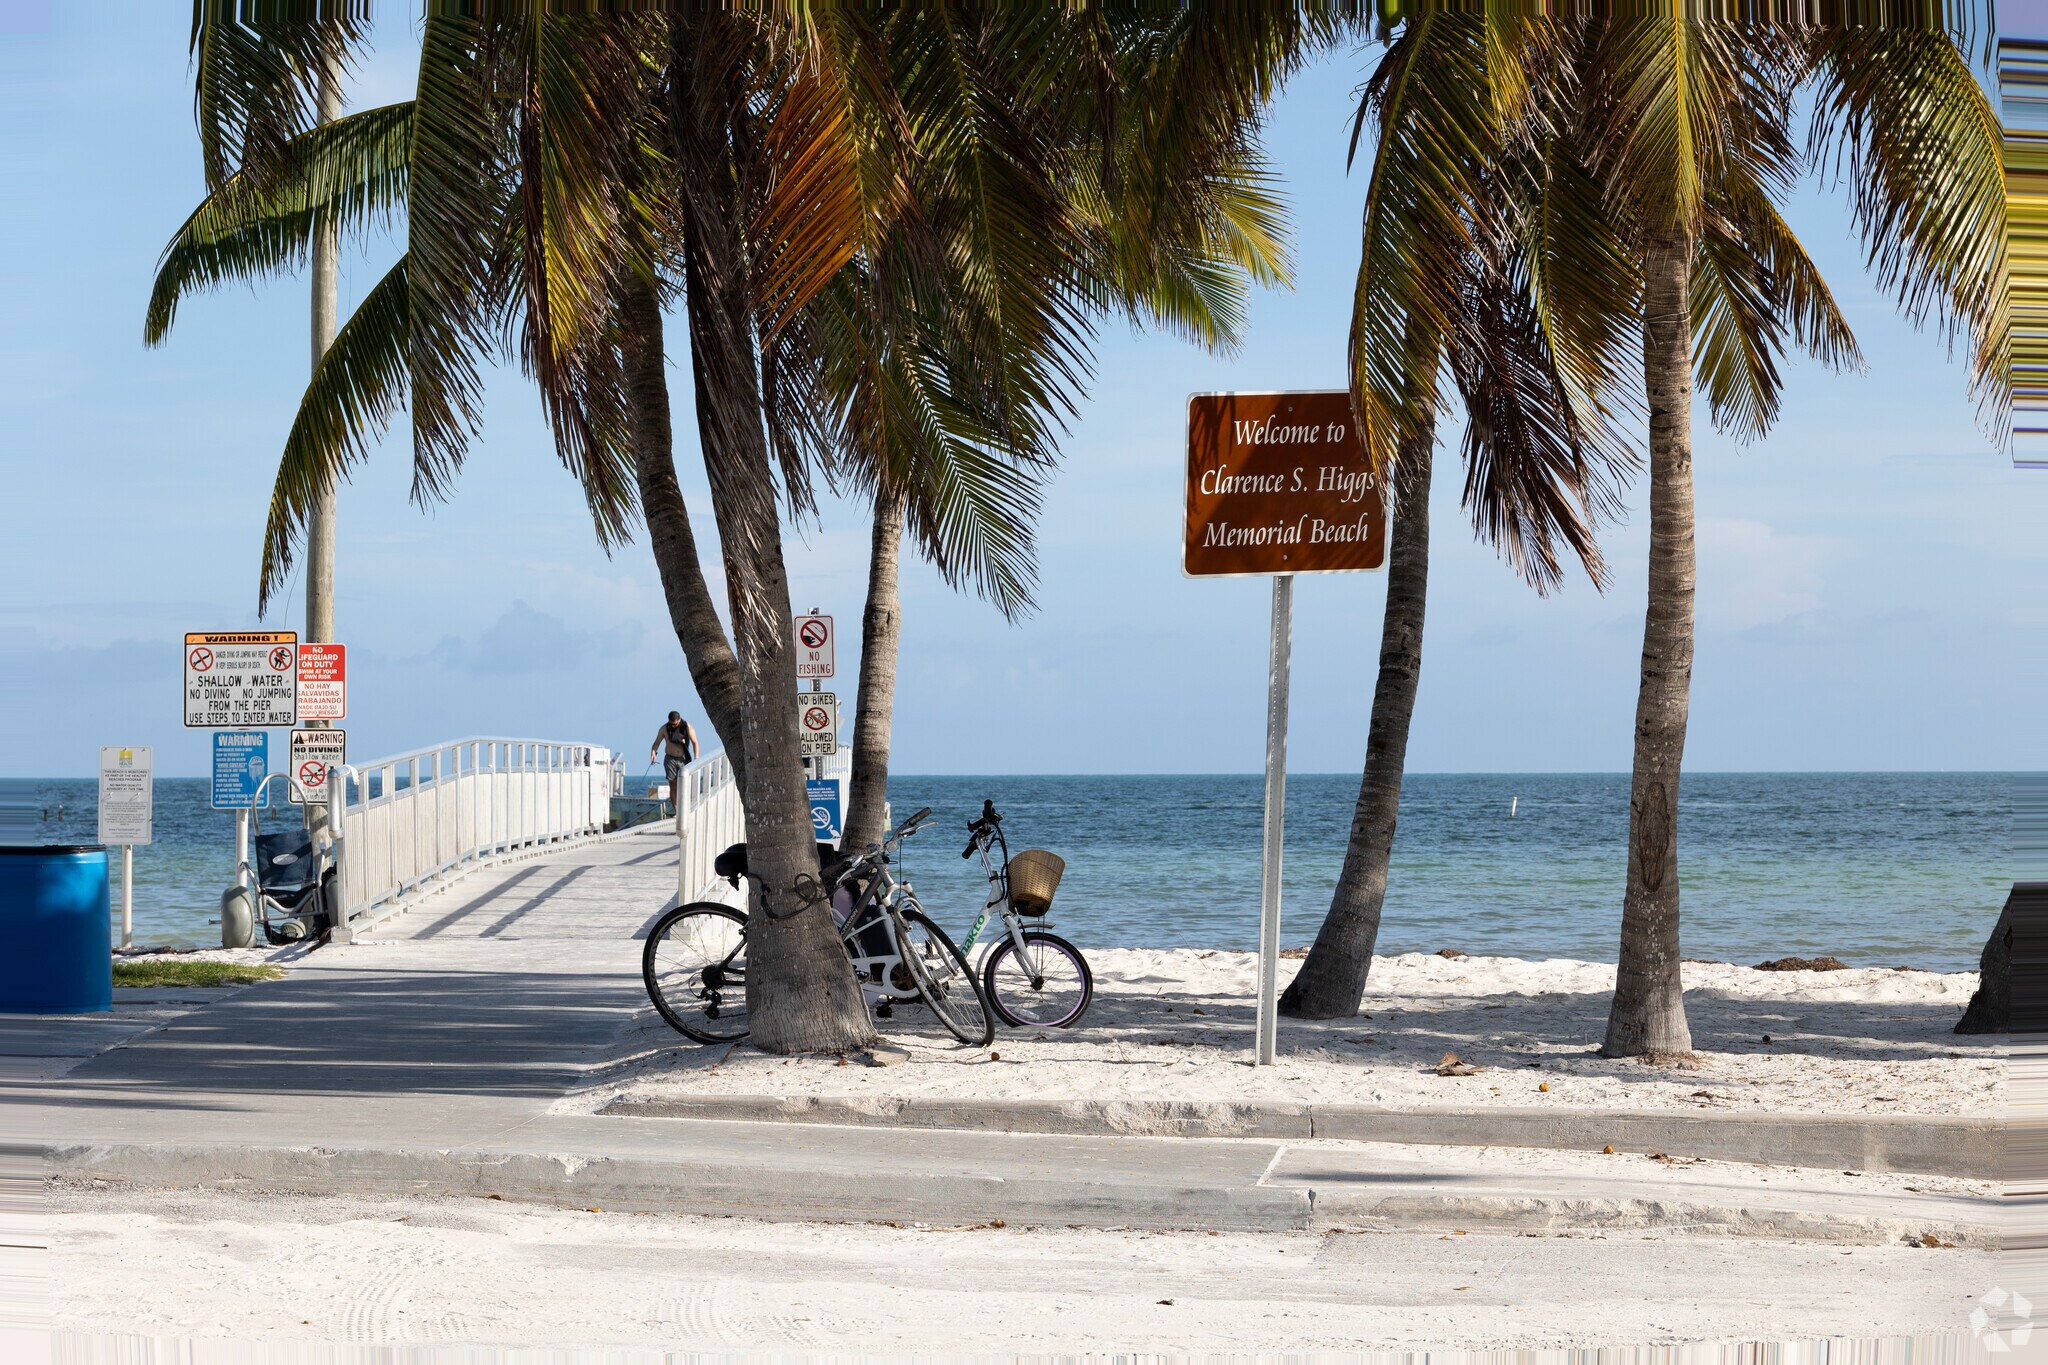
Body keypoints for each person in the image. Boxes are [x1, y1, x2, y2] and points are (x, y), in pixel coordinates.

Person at [649, 711, 699, 804]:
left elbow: (695, 742)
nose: (672, 726)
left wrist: (696, 758)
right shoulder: (664, 728)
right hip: (670, 759)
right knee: (672, 784)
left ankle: (685, 805)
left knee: (684, 783)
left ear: (679, 720)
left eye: (675, 724)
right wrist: (653, 752)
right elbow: (656, 743)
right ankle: (676, 810)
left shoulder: (687, 727)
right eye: (671, 724)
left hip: (683, 759)